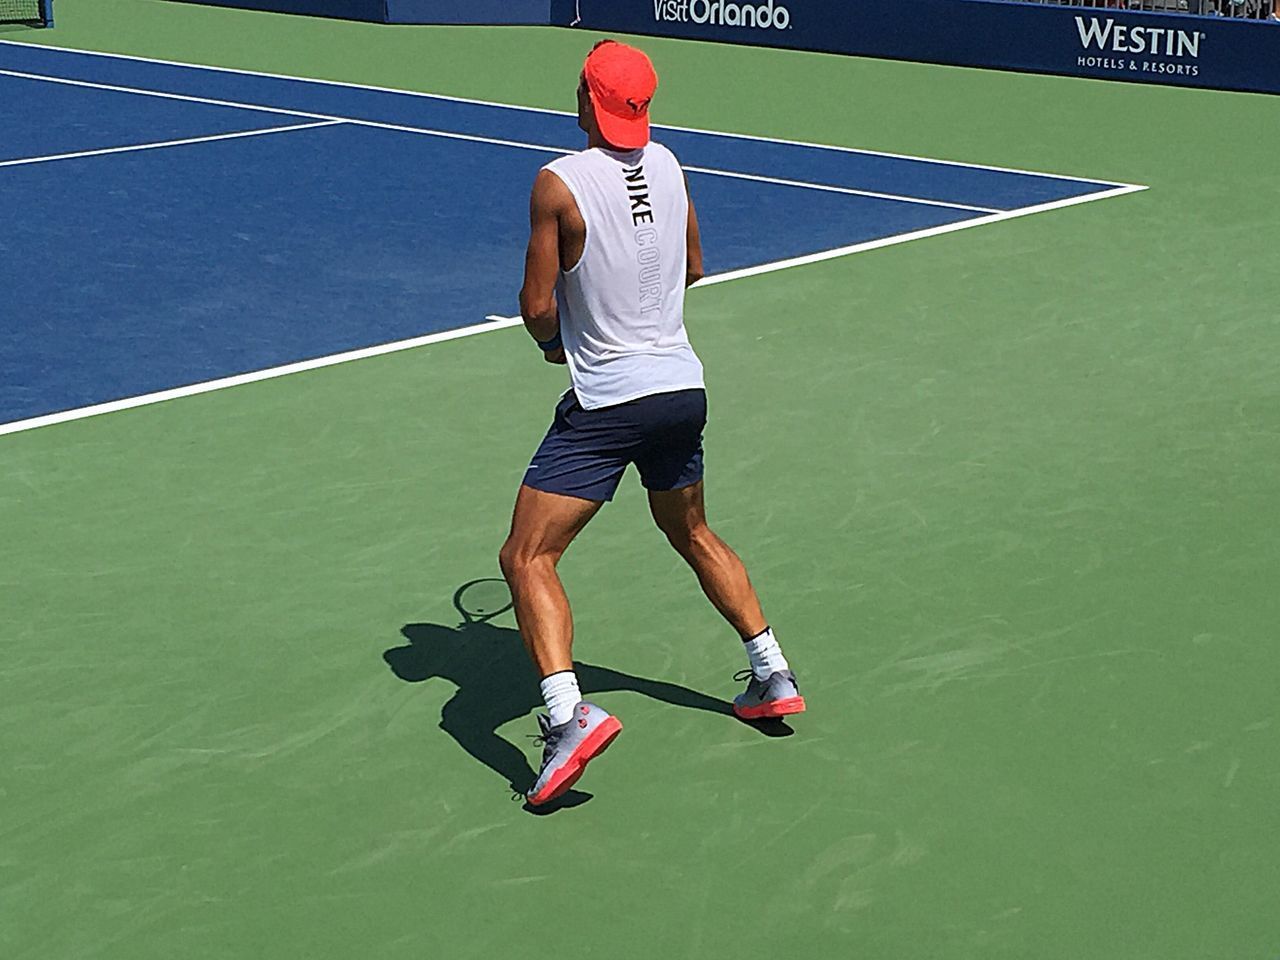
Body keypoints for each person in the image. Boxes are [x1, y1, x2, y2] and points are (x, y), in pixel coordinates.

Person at [499, 39, 804, 807]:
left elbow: (538, 307)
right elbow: (693, 265)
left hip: (608, 404)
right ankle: (771, 671)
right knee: (693, 531)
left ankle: (569, 718)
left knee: (527, 558)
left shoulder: (557, 183)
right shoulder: (669, 165)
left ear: (584, 99)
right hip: (682, 392)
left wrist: (556, 345)